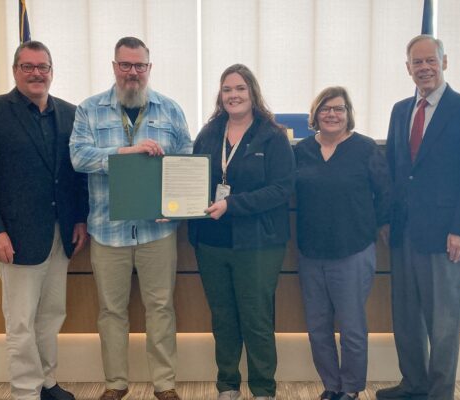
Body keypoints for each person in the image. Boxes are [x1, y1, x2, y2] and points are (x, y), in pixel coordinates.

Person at [0, 40, 89, 400]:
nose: (37, 73)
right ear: (15, 70)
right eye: (28, 66)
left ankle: (47, 383)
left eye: (43, 67)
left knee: (52, 315)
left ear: (52, 71)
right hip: (14, 237)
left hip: (60, 234)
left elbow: (74, 175)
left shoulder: (70, 113)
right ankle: (25, 391)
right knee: (20, 322)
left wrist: (79, 219)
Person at [69, 36, 191, 400]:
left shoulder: (170, 109)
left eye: (139, 65)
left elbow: (185, 160)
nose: (132, 72)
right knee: (110, 311)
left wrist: (178, 207)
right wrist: (125, 153)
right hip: (108, 231)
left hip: (158, 231)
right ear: (114, 67)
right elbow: (78, 158)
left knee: (161, 308)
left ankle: (165, 385)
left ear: (149, 68)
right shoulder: (89, 110)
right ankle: (115, 384)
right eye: (125, 65)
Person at [376, 35, 460, 400]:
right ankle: (413, 385)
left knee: (442, 323)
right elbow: (396, 172)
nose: (424, 68)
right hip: (404, 233)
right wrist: (387, 219)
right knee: (406, 319)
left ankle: (439, 393)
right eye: (417, 62)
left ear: (445, 62)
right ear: (407, 67)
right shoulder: (399, 110)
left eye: (430, 61)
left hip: (446, 236)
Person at [188, 64, 295, 400]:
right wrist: (171, 207)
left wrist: (232, 204)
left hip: (258, 242)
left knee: (256, 318)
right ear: (220, 96)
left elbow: (282, 189)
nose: (233, 95)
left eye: (239, 89)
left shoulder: (272, 135)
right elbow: (193, 180)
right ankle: (228, 385)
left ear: (252, 93)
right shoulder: (209, 133)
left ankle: (263, 388)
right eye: (227, 90)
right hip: (211, 241)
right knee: (223, 317)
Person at [294, 87, 390, 400]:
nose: (332, 115)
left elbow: (385, 194)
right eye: (325, 109)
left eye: (339, 109)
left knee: (351, 327)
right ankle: (331, 386)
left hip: (353, 251)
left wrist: (377, 227)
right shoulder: (302, 150)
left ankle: (350, 388)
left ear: (348, 113)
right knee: (318, 327)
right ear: (315, 114)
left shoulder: (364, 148)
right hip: (311, 252)